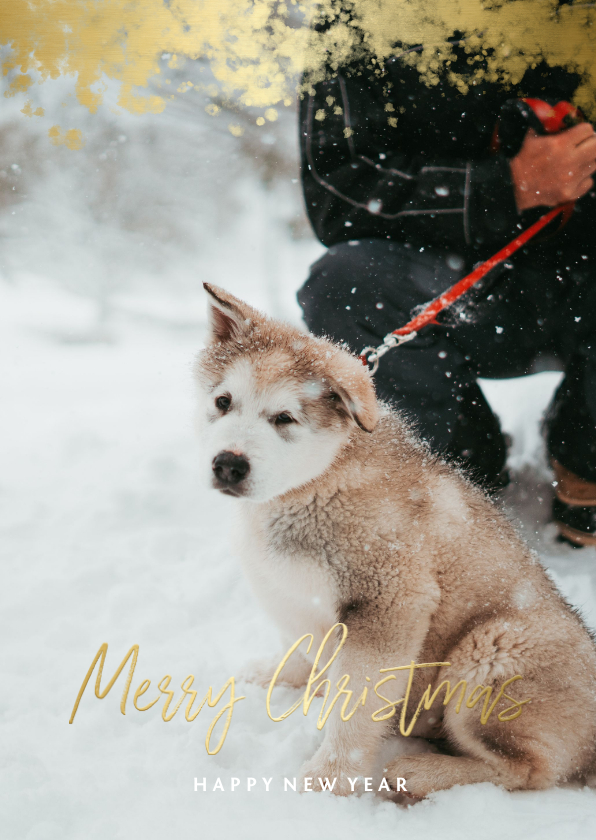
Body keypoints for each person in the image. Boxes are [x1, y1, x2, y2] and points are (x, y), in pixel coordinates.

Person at [297, 27, 596, 546]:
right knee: (346, 283)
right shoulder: (354, 21)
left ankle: (585, 454)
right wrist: (509, 186)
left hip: (584, 277)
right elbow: (339, 189)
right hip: (446, 290)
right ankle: (456, 465)